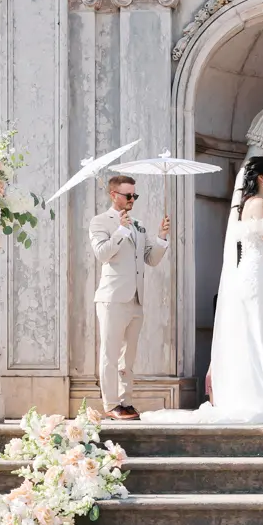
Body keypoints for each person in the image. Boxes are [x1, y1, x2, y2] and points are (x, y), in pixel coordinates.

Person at [144, 157, 263, 424]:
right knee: (257, 339)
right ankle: (256, 397)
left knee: (252, 339)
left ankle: (250, 394)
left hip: (254, 279)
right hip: (253, 282)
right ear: (261, 177)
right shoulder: (259, 204)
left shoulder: (249, 205)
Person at [89, 174, 169, 420]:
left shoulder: (138, 224)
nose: (132, 198)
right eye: (128, 195)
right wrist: (121, 230)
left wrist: (161, 237)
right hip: (112, 298)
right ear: (114, 195)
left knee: (129, 356)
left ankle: (126, 401)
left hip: (136, 300)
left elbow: (151, 259)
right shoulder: (100, 222)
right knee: (110, 354)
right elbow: (102, 253)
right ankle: (111, 404)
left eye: (135, 195)